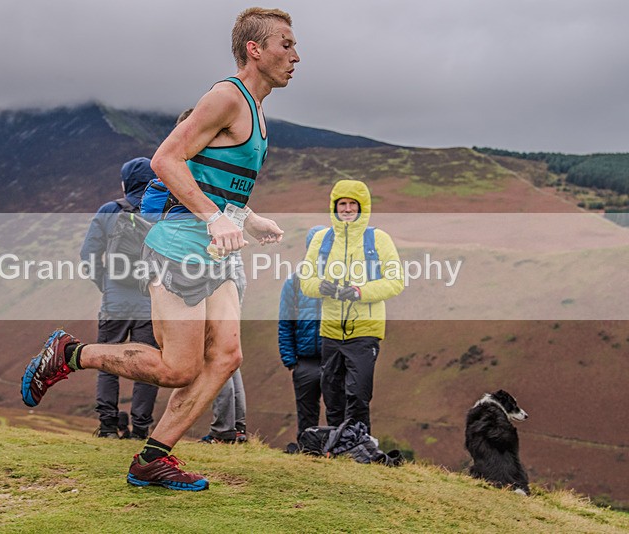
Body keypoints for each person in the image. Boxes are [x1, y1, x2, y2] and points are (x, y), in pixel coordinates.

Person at [21, 7, 298, 491]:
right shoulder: (226, 97)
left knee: (227, 356)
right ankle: (70, 353)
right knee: (178, 367)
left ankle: (153, 457)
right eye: (286, 45)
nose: (296, 56)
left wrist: (247, 220)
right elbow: (165, 160)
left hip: (216, 250)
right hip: (181, 244)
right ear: (255, 50)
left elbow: (219, 183)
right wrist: (214, 220)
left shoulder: (256, 109)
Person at [299, 180, 404, 434]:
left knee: (358, 395)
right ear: (334, 207)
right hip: (331, 330)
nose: (346, 209)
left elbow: (396, 281)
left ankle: (358, 446)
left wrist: (360, 292)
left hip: (365, 330)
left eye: (352, 204)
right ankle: (337, 448)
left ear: (362, 207)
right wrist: (320, 286)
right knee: (332, 395)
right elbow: (306, 279)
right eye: (341, 204)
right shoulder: (322, 239)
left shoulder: (378, 239)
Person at [80, 157, 159, 440]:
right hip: (151, 301)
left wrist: (107, 284)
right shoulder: (163, 211)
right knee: (147, 367)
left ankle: (107, 427)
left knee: (106, 361)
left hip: (115, 300)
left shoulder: (109, 210)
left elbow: (88, 255)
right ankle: (140, 430)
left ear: (126, 183)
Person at [278, 225, 326, 442]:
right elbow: (285, 323)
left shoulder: (340, 280)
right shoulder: (295, 282)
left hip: (333, 358)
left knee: (338, 410)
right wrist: (291, 361)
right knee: (306, 415)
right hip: (304, 362)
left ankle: (338, 452)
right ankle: (307, 450)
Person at [201, 254, 248, 444]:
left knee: (216, 355)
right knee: (227, 354)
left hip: (215, 273)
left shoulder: (211, 224)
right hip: (233, 272)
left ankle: (223, 430)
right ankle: (237, 428)